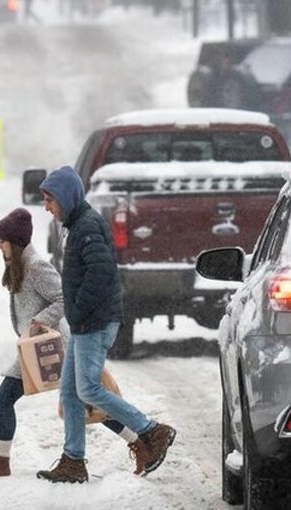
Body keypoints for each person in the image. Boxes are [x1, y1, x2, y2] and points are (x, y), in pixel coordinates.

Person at [0, 208, 150, 482]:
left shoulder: (36, 266)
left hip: (53, 346)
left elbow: (64, 298)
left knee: (79, 400)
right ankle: (1, 461)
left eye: (1, 241)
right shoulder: (19, 266)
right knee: (73, 399)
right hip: (35, 346)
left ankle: (139, 441)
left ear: (14, 243)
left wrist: (39, 321)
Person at [35, 167, 176, 484]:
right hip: (87, 321)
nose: (47, 207)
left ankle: (151, 430)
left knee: (88, 389)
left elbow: (100, 274)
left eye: (49, 200)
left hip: (94, 322)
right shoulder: (77, 224)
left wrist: (78, 310)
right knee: (71, 393)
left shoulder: (86, 227)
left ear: (66, 197)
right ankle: (73, 461)